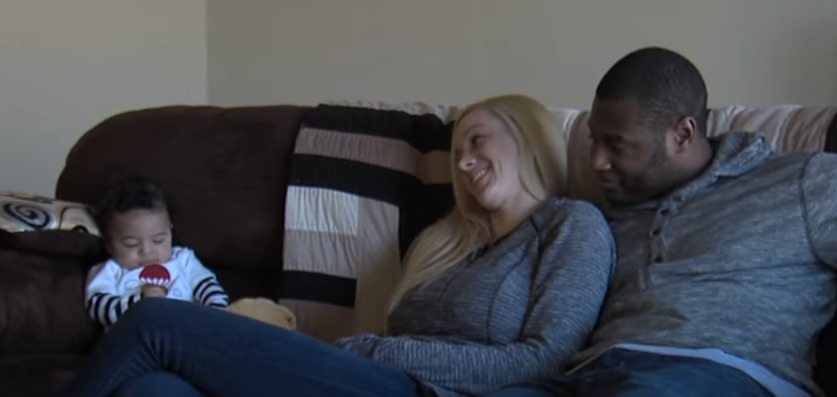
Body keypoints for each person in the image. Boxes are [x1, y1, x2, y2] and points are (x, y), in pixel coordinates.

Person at [65, 94, 615, 397]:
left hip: (415, 389)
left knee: (156, 324)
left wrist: (376, 351)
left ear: (526, 135)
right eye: (456, 152)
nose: (464, 162)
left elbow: (547, 358)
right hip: (366, 375)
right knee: (156, 391)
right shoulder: (448, 241)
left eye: (477, 141)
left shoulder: (573, 225)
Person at [486, 47, 837, 397]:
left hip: (720, 372)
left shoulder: (803, 182)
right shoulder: (594, 220)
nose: (597, 161)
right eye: (594, 141)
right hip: (591, 373)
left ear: (683, 134)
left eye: (616, 145)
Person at [85, 176, 229, 327]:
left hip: (186, 331)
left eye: (158, 240)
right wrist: (141, 303)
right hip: (139, 335)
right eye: (131, 244)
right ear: (109, 244)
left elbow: (207, 286)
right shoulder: (109, 271)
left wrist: (217, 312)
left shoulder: (183, 259)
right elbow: (98, 307)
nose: (147, 251)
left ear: (170, 231)